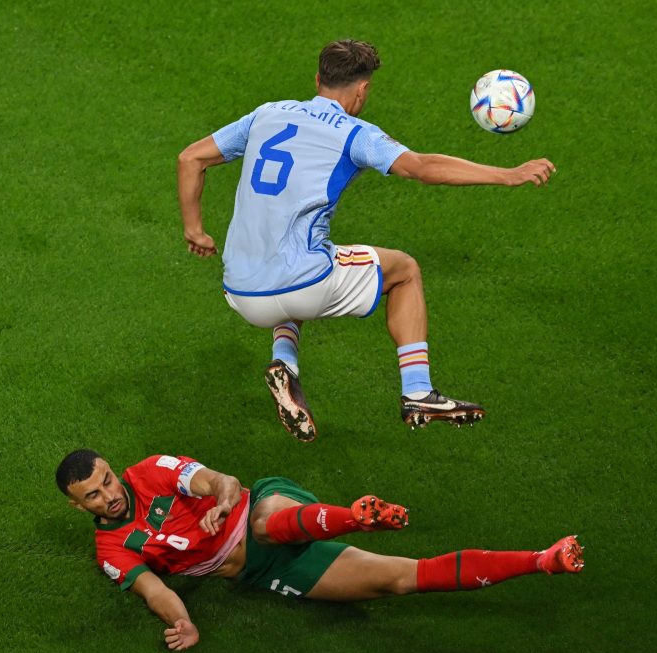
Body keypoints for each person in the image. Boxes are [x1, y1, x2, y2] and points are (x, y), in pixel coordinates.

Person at [177, 39, 556, 441]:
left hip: (239, 291)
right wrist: (508, 174)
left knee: (299, 259)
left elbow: (190, 158)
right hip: (303, 282)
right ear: (362, 90)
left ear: (318, 78)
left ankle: (284, 363)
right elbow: (421, 167)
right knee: (404, 270)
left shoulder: (266, 114)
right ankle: (418, 390)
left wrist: (194, 229)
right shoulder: (355, 133)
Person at [56, 450, 584, 651]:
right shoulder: (109, 548)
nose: (110, 493)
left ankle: (356, 516)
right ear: (81, 507)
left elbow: (225, 480)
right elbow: (155, 591)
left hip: (265, 507)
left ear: (110, 467)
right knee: (399, 579)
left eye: (106, 479)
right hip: (264, 572)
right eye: (95, 495)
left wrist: (221, 501)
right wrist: (185, 622)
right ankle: (542, 559)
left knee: (264, 526)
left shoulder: (150, 472)